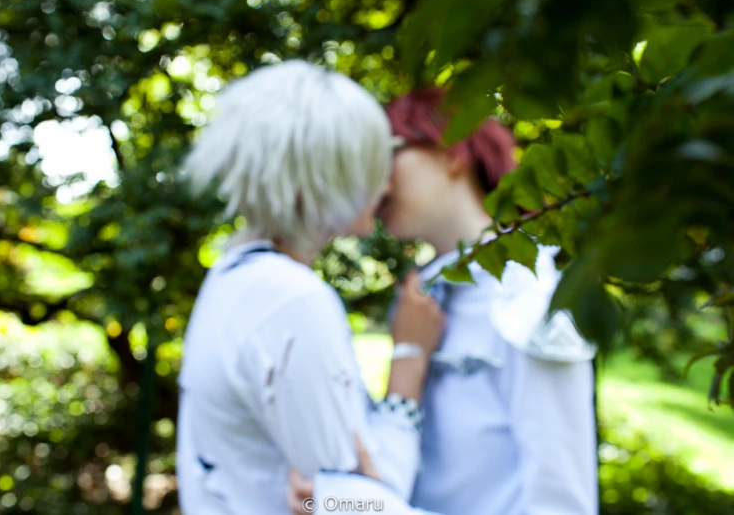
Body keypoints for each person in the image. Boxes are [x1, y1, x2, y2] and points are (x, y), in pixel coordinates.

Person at [290, 88, 598, 514]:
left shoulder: (532, 293)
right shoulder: (421, 296)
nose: (373, 182)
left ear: (450, 150)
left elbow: (562, 504)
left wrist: (339, 505)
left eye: (385, 154)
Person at [176, 61, 447, 515]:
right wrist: (409, 362)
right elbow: (363, 502)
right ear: (331, 177)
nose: (386, 184)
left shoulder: (232, 277)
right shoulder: (291, 298)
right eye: (372, 165)